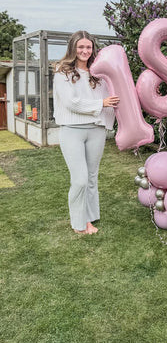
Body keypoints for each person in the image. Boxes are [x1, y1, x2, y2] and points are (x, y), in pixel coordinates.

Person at [53, 30, 119, 234]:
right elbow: (72, 103)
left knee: (91, 177)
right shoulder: (62, 71)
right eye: (81, 47)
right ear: (73, 48)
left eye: (88, 47)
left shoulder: (99, 73)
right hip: (72, 130)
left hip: (96, 130)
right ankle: (79, 224)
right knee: (79, 179)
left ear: (93, 49)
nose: (85, 51)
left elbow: (112, 99)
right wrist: (101, 103)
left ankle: (90, 218)